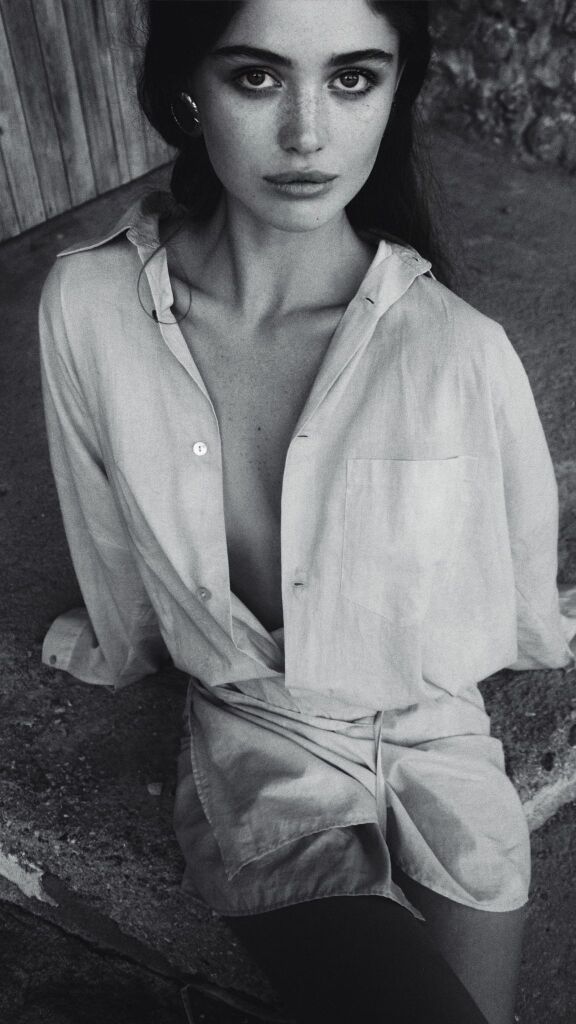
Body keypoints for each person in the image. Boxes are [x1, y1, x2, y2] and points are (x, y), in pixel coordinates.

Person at [38, 2, 576, 1022]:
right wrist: (121, 642)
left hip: (438, 735)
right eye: (257, 77)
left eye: (352, 78)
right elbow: (105, 531)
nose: (307, 135)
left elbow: (512, 586)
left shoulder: (458, 350)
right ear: (186, 91)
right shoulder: (88, 306)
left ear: (394, 92)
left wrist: (538, 629)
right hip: (257, 731)